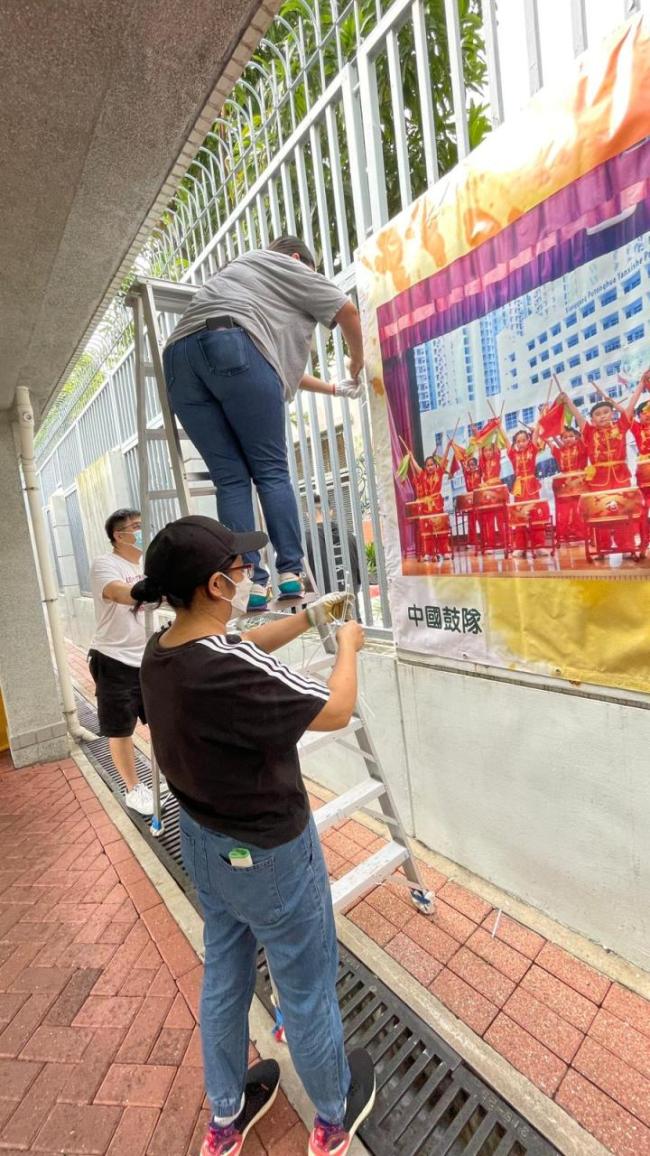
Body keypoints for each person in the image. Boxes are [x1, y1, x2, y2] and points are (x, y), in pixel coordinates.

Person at [134, 515, 375, 1156]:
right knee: (306, 989)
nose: (250, 575)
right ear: (217, 586)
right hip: (269, 855)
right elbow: (335, 710)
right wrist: (347, 645)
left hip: (204, 842)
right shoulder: (224, 667)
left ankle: (225, 1116)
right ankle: (332, 1117)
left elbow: (236, 647)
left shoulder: (162, 651)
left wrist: (305, 618)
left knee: (224, 975)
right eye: (241, 568)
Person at [162, 236, 365, 613]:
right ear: (296, 258)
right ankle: (289, 573)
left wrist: (334, 388)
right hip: (232, 346)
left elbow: (271, 368)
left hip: (178, 361)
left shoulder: (241, 277)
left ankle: (249, 581)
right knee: (271, 470)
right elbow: (347, 311)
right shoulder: (285, 264)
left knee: (230, 480)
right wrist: (357, 359)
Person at [88, 508, 155, 815]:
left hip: (150, 658)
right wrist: (151, 589)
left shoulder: (148, 564)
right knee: (121, 729)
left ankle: (175, 775)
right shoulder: (105, 564)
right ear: (119, 535)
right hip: (113, 659)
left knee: (164, 720)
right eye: (136, 527)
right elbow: (118, 593)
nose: (142, 531)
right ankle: (133, 787)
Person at [305, 494, 361, 599]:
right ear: (330, 512)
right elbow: (360, 575)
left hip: (321, 606)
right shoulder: (350, 537)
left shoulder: (304, 541)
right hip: (350, 605)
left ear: (308, 514)